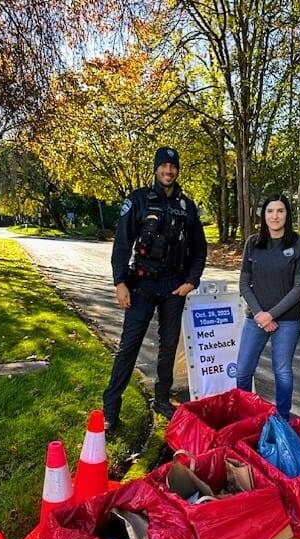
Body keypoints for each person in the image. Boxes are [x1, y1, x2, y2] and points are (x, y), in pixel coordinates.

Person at [103, 146, 207, 427]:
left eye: (172, 167)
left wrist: (191, 281)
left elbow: (200, 248)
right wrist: (120, 282)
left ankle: (161, 399)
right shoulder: (138, 200)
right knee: (128, 347)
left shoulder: (187, 206)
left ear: (177, 170)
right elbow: (122, 245)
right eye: (163, 166)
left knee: (168, 347)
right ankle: (111, 410)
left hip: (174, 287)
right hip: (142, 285)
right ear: (156, 168)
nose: (168, 171)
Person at [236, 193, 300, 420]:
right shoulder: (253, 243)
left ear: (287, 214)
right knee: (242, 372)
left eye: (280, 211)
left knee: (282, 372)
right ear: (263, 215)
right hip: (256, 318)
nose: (275, 216)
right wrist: (260, 314)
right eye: (270, 211)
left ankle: (282, 419)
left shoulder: (298, 243)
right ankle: (245, 416)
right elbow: (243, 284)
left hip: (288, 320)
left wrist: (271, 315)